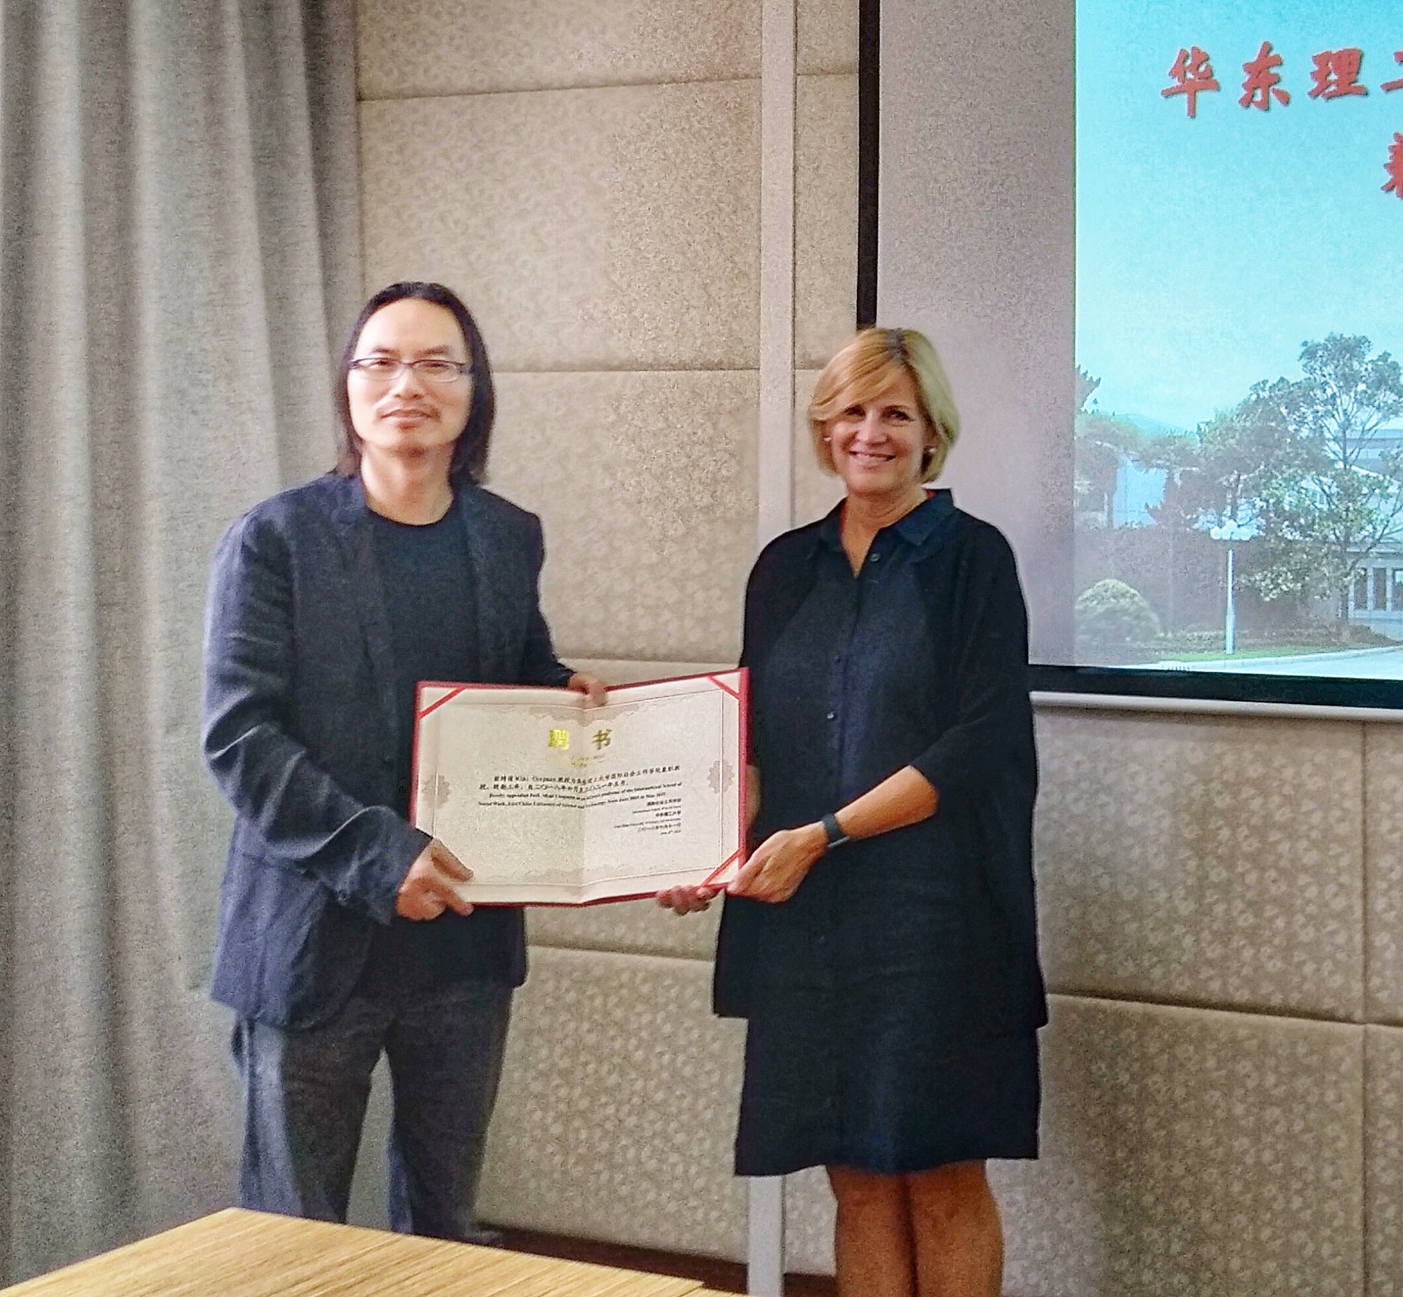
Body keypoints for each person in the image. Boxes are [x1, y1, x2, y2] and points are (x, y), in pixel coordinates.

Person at [201, 280, 605, 1235]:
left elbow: (515, 673)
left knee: (444, 1235)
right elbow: (241, 737)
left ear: (474, 389)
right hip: (310, 939)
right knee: (292, 1239)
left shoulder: (507, 536)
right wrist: (385, 858)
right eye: (379, 361)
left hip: (463, 942)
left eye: (435, 363)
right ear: (348, 386)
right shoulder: (275, 540)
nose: (405, 384)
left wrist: (570, 698)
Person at [660, 326, 1043, 1297]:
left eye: (895, 413)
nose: (870, 431)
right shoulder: (784, 568)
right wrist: (703, 847)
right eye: (851, 410)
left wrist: (824, 834)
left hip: (938, 922)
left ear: (932, 432)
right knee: (857, 1180)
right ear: (825, 426)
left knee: (942, 1179)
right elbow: (748, 746)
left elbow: (975, 745)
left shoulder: (974, 559)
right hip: (808, 925)